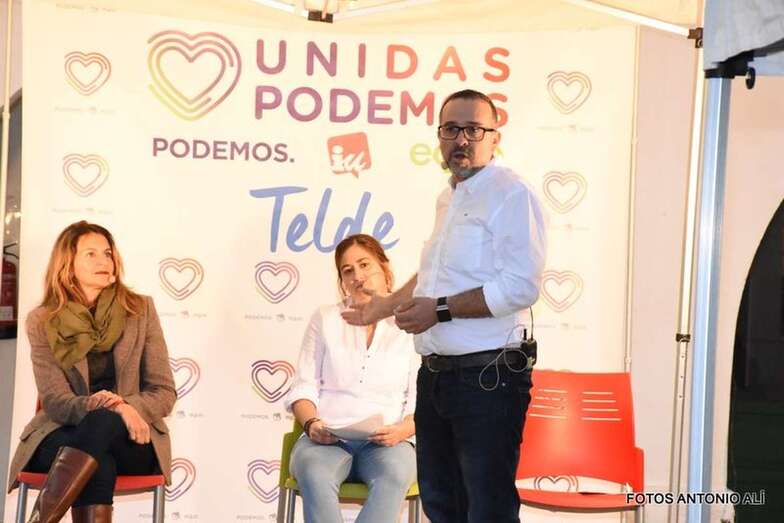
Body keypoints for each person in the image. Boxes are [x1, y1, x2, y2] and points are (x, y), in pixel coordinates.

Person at [342, 89, 547, 523]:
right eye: (452, 129)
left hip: (488, 378)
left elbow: (520, 286)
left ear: (495, 137)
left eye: (474, 129)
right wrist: (380, 309)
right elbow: (433, 277)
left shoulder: (511, 193)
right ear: (439, 136)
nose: (462, 139)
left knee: (486, 509)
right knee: (441, 504)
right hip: (436, 377)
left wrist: (437, 311)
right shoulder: (449, 196)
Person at [7, 221, 177, 523]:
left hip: (133, 440)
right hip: (63, 431)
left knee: (103, 424)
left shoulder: (140, 310)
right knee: (99, 461)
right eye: (91, 254)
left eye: (108, 253)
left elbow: (164, 392)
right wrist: (110, 405)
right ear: (67, 264)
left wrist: (123, 408)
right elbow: (56, 401)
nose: (103, 261)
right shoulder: (43, 320)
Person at [284, 234, 420, 523]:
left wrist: (402, 431)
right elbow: (303, 388)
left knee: (395, 473)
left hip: (389, 442)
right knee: (313, 469)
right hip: (328, 438)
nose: (358, 276)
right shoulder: (325, 318)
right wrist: (312, 425)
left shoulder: (411, 322)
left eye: (364, 265)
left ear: (385, 268)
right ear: (342, 281)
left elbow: (421, 399)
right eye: (348, 271)